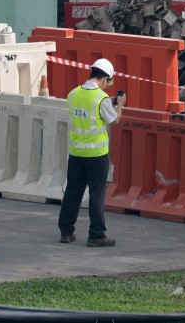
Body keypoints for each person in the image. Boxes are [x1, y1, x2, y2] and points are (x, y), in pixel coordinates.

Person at [58, 58, 126, 247]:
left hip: (76, 152)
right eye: (109, 81)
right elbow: (115, 120)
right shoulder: (101, 98)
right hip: (96, 155)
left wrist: (108, 103)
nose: (109, 85)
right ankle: (96, 234)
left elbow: (87, 111)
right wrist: (119, 104)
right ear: (104, 78)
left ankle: (66, 231)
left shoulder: (73, 94)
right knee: (96, 194)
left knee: (72, 191)